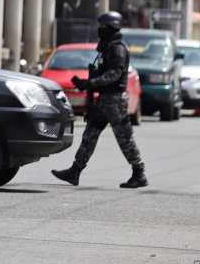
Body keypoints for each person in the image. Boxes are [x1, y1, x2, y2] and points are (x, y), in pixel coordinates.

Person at [51, 11, 147, 188]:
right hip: (104, 100)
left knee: (124, 138)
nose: (99, 30)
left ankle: (139, 173)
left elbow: (114, 75)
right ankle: (75, 170)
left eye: (102, 27)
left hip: (115, 101)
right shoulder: (108, 46)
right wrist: (88, 83)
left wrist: (90, 83)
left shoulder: (117, 48)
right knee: (89, 135)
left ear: (111, 28)